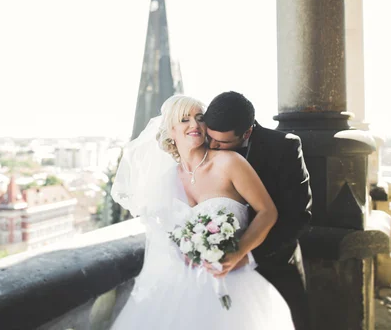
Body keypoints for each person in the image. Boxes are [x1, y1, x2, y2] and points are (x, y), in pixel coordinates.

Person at [110, 95, 295, 329]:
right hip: (179, 288)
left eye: (199, 118)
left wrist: (238, 252)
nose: (195, 125)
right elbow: (162, 238)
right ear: (171, 130)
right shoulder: (165, 181)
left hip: (233, 283)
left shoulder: (229, 162)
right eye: (185, 119)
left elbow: (267, 212)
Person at [204, 91, 312, 330]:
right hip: (216, 275)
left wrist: (248, 255)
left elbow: (297, 217)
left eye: (221, 142)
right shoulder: (203, 145)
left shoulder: (285, 147)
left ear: (247, 132)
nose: (212, 146)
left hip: (275, 265)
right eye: (210, 138)